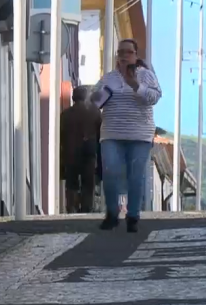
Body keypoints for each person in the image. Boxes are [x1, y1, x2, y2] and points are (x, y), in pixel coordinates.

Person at [92, 38, 162, 233]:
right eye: (120, 52)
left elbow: (154, 97)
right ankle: (112, 214)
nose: (123, 55)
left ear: (135, 55)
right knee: (110, 171)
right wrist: (96, 96)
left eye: (128, 52)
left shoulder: (146, 75)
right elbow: (95, 101)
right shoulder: (108, 78)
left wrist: (134, 84)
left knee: (135, 175)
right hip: (111, 133)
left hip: (140, 134)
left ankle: (133, 215)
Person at [60, 85, 102, 213]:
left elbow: (61, 137)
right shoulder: (95, 112)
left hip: (70, 152)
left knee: (71, 182)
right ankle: (86, 208)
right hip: (88, 153)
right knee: (87, 183)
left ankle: (71, 207)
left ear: (73, 98)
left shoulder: (65, 115)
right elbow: (101, 136)